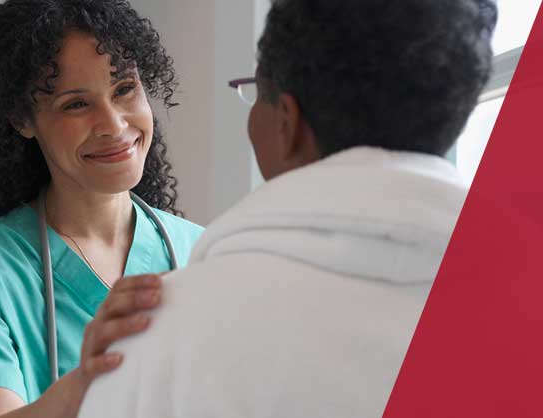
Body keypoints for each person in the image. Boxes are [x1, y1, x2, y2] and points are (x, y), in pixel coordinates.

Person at [79, 0, 497, 417]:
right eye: (76, 104)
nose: (114, 125)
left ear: (287, 121)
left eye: (258, 92)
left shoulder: (157, 340)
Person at [0, 1, 204, 417]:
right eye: (76, 104)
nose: (114, 125)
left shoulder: (202, 253)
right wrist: (87, 384)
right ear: (22, 119)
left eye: (124, 89)